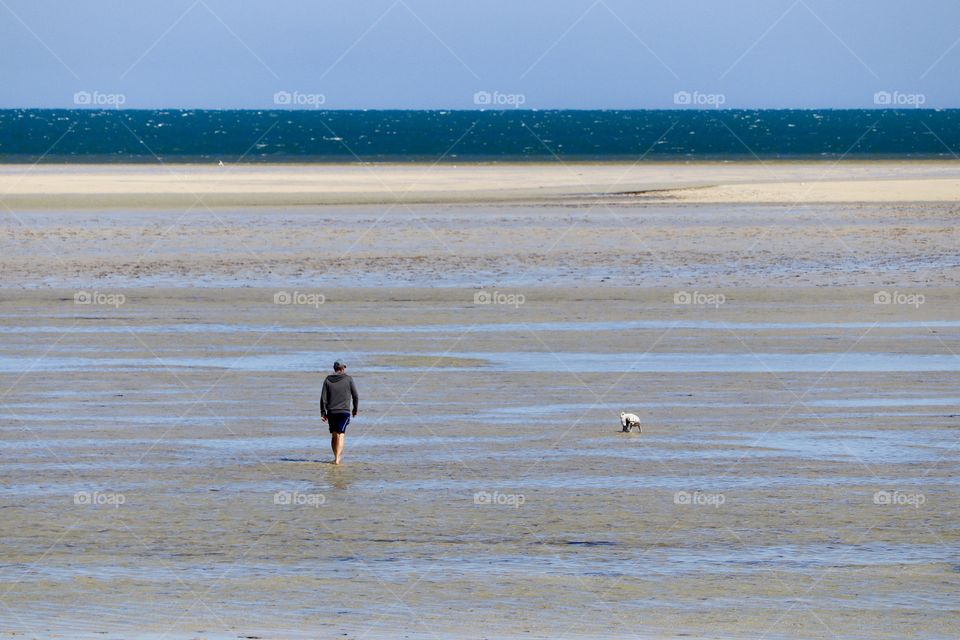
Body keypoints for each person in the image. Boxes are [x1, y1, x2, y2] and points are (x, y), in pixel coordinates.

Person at [320, 360, 358, 465]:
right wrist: (355, 409)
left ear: (335, 369)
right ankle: (337, 459)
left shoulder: (327, 379)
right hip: (344, 412)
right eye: (343, 368)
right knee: (341, 435)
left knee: (334, 435)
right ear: (342, 369)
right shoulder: (349, 379)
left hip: (331, 412)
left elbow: (323, 398)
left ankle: (335, 457)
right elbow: (355, 395)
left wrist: (323, 413)